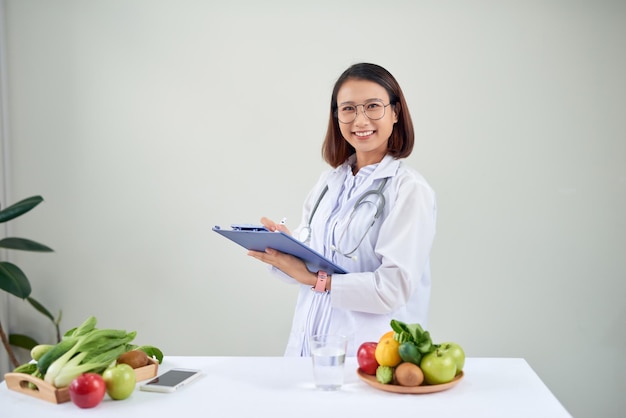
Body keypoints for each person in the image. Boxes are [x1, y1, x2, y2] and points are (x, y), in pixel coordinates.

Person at [248, 63, 437, 357]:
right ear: (336, 117)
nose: (360, 120)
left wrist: (316, 280)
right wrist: (284, 248)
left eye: (373, 106)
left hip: (370, 356)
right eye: (348, 109)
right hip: (308, 350)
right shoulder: (328, 183)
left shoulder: (409, 190)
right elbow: (311, 265)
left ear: (396, 113)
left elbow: (392, 288)